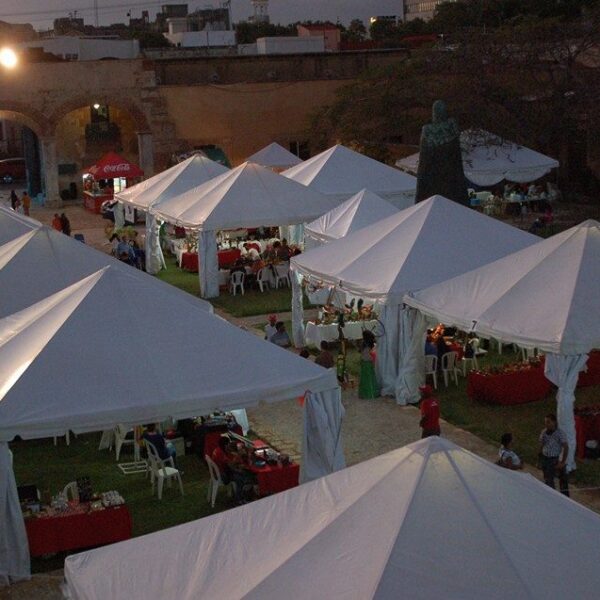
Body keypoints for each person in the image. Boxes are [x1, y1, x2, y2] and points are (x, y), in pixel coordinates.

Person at [539, 414, 569, 496]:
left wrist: (562, 462)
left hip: (554, 459)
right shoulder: (544, 432)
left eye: (548, 422)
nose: (546, 424)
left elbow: (565, 447)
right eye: (545, 422)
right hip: (545, 458)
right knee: (548, 480)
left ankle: (565, 498)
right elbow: (541, 445)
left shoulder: (560, 433)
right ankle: (552, 497)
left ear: (554, 422)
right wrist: (540, 457)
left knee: (563, 480)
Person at [358, 330, 379, 399]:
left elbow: (360, 351)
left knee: (364, 378)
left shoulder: (363, 344)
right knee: (370, 378)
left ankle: (364, 393)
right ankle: (372, 393)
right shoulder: (370, 344)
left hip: (364, 361)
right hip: (369, 361)